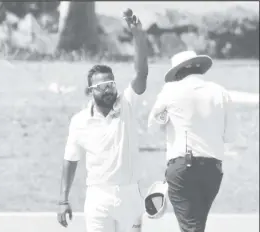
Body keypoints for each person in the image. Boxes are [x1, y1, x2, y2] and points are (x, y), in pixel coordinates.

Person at [57, 11, 148, 232]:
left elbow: (141, 73)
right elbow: (70, 160)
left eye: (111, 84)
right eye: (101, 86)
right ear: (90, 91)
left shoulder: (127, 105)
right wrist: (63, 200)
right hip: (98, 197)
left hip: (129, 195)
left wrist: (138, 36)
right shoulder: (79, 121)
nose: (108, 90)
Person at [148, 50, 238, 232]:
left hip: (183, 168)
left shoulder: (170, 90)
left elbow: (152, 127)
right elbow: (231, 136)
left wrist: (167, 117)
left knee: (191, 227)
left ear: (178, 72)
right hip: (213, 170)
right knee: (196, 225)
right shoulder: (220, 92)